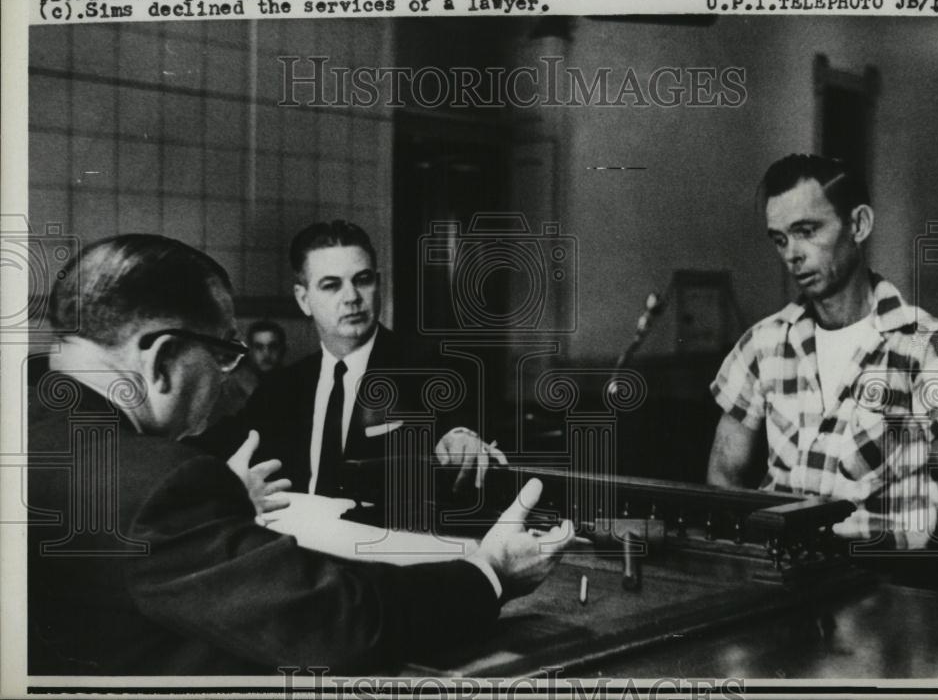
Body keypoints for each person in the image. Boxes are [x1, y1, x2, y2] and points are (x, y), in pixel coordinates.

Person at [28, 234, 573, 675]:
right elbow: (341, 627)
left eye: (362, 280)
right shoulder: (159, 484)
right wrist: (491, 572)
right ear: (163, 358)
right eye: (222, 354)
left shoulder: (27, 429)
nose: (224, 381)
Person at [707, 155, 938, 568]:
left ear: (858, 225)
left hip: (883, 596)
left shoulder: (924, 346)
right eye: (780, 239)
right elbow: (721, 479)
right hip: (780, 589)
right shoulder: (762, 345)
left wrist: (917, 592)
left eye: (807, 231)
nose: (793, 254)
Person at [200, 220, 502, 497]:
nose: (352, 297)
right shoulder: (282, 388)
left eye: (363, 279)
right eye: (331, 285)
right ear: (303, 299)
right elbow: (214, 447)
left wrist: (463, 436)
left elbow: (463, 421)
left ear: (378, 285)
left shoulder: (432, 366)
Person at [204, 320, 288, 426]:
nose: (266, 354)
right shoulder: (231, 387)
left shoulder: (293, 385)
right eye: (259, 347)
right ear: (250, 351)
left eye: (273, 347)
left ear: (283, 350)